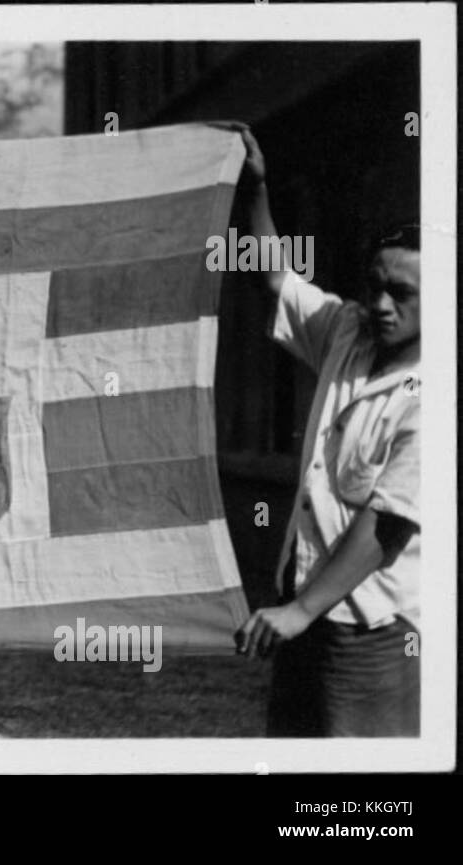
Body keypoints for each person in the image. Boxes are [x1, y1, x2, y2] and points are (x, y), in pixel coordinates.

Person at [222, 122, 422, 737]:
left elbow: (386, 524)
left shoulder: (436, 396)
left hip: (371, 631)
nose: (382, 305)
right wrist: (253, 191)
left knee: (358, 806)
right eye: (375, 287)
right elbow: (274, 278)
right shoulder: (348, 331)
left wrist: (300, 612)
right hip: (304, 608)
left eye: (402, 293)